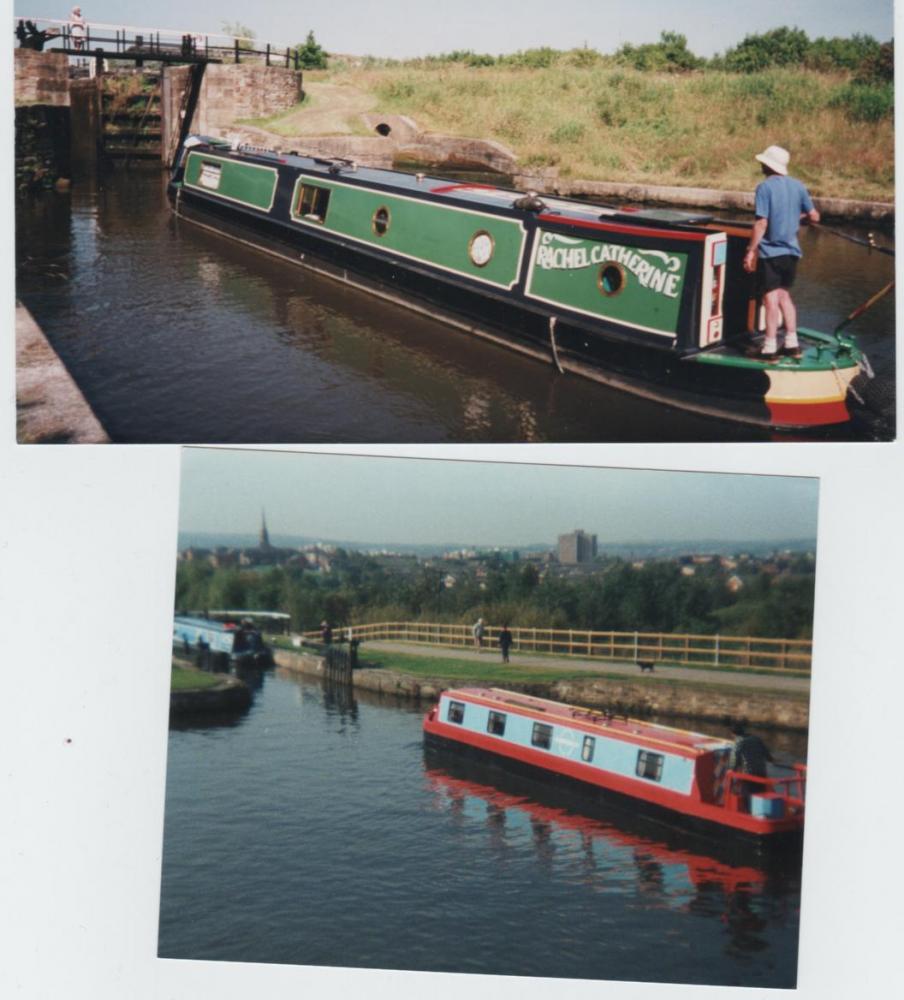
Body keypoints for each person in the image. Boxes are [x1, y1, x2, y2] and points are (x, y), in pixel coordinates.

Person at [743, 145, 820, 362]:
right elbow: (814, 216)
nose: (761, 165)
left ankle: (769, 348)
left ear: (768, 165)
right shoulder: (798, 186)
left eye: (763, 162)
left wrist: (751, 251)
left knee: (770, 299)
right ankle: (792, 343)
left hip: (771, 252)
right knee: (785, 296)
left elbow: (761, 223)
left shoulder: (764, 188)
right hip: (792, 252)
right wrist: (798, 217)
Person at [730, 721, 773, 802]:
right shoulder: (756, 739)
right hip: (761, 772)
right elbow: (768, 755)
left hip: (749, 774)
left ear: (733, 734)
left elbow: (734, 758)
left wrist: (731, 770)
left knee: (747, 797)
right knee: (760, 796)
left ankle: (748, 810)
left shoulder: (738, 742)